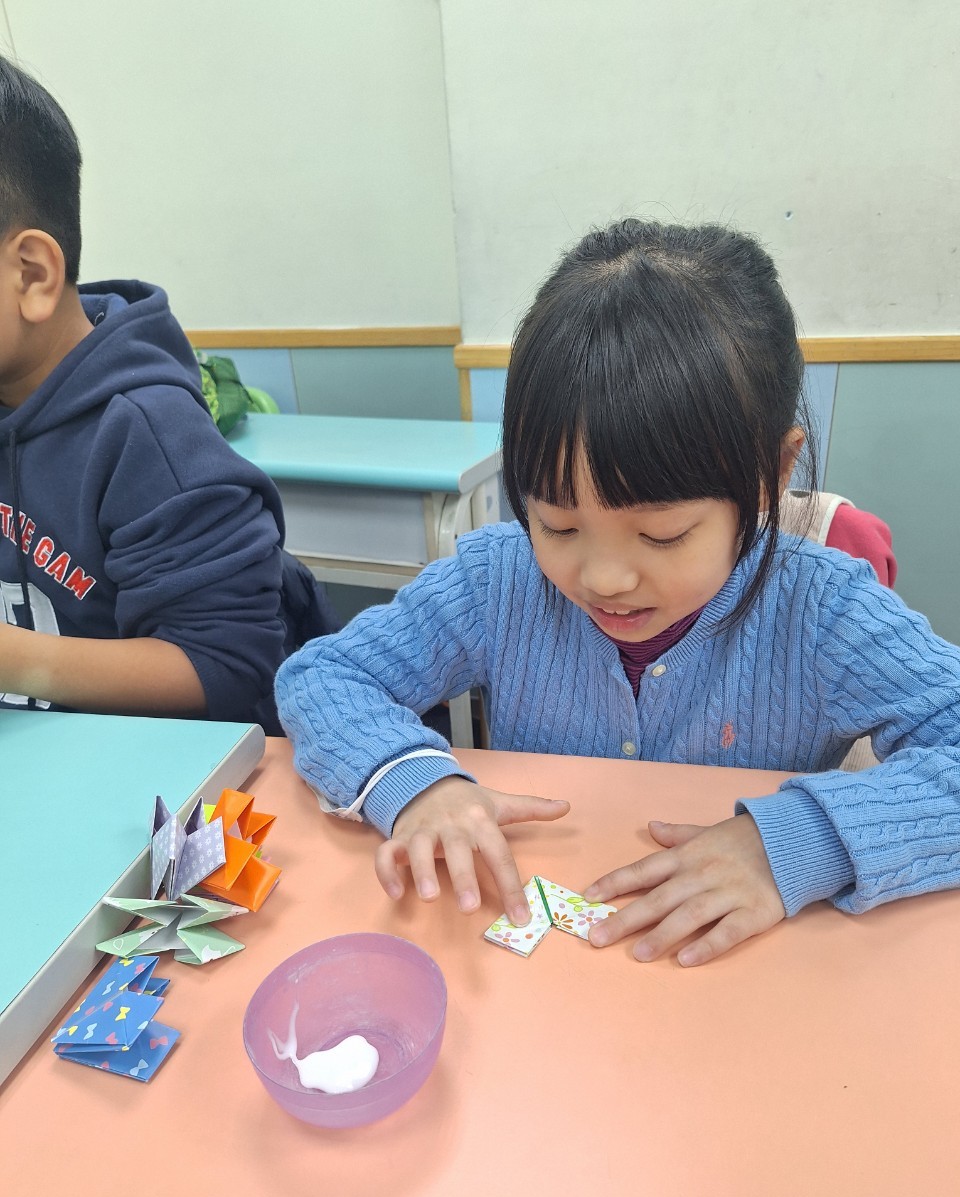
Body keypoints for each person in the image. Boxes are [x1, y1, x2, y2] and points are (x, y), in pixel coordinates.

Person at [275, 218, 960, 966]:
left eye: (662, 534)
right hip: (539, 971)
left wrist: (798, 843)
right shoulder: (498, 581)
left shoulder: (822, 612)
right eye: (558, 524)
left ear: (772, 475)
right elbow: (324, 675)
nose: (603, 579)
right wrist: (413, 784)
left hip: (744, 975)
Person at [0, 54, 287, 724]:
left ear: (32, 275)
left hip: (146, 774)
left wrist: (13, 658)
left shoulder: (146, 431)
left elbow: (226, 667)